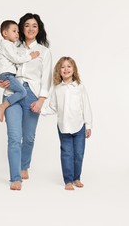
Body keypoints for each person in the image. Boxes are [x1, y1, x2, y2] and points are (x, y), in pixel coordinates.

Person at [0, 13, 52, 190]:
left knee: (28, 138)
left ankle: (24, 166)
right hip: (12, 92)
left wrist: (41, 101)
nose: (30, 28)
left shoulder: (44, 51)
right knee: (14, 137)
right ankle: (15, 178)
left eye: (34, 25)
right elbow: (0, 65)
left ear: (38, 29)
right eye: (26, 25)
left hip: (32, 95)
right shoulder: (11, 45)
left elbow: (47, 78)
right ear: (21, 28)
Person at [41, 56, 92, 190]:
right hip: (63, 126)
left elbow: (86, 107)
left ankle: (77, 178)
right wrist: (40, 109)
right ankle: (68, 180)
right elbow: (53, 107)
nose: (66, 69)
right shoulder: (57, 89)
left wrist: (88, 125)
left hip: (79, 126)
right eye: (63, 67)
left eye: (69, 66)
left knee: (79, 153)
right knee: (66, 153)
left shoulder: (80, 87)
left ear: (74, 69)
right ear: (59, 71)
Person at [0, 20, 40, 122]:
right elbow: (17, 59)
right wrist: (31, 56)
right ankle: (2, 106)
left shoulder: (11, 45)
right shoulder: (6, 45)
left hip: (6, 75)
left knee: (21, 91)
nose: (17, 34)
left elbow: (1, 63)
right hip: (6, 75)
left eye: (18, 32)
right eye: (14, 31)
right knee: (22, 91)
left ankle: (3, 106)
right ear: (5, 33)